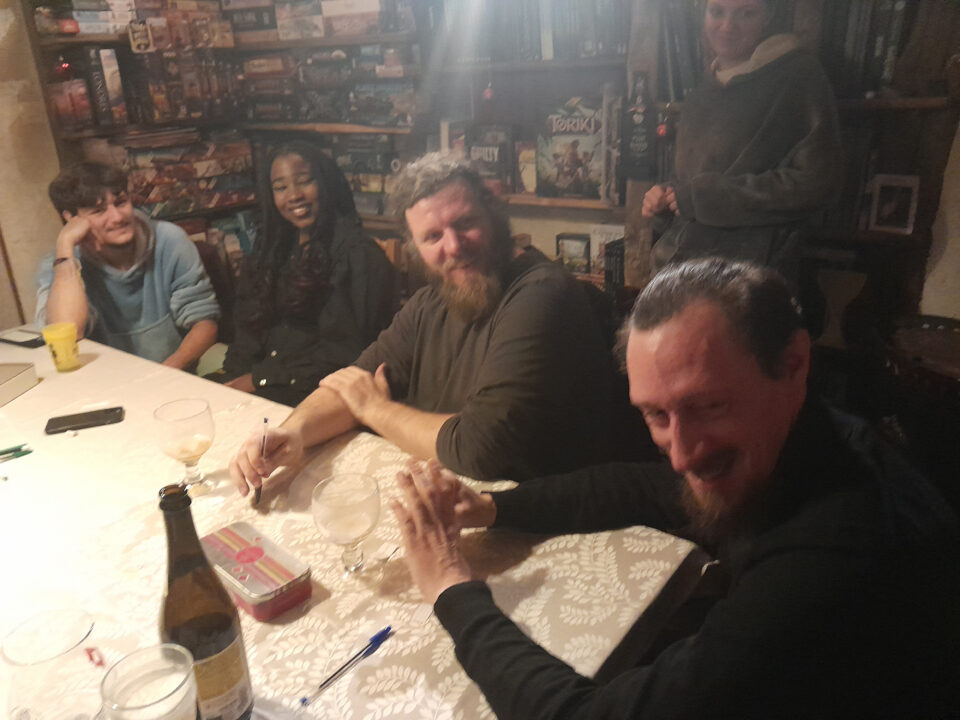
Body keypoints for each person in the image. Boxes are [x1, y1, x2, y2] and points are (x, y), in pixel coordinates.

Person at [391, 257, 960, 719]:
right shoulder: (809, 436)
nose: (682, 453)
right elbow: (646, 486)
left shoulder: (832, 554)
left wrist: (450, 588)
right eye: (656, 415)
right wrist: (493, 506)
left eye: (709, 406)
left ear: (794, 364)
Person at [230, 153, 613, 494]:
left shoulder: (542, 292)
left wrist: (375, 410)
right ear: (415, 248)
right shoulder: (431, 301)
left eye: (465, 223)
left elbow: (479, 448)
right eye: (432, 237)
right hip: (456, 497)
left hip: (543, 516)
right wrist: (293, 432)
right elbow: (351, 385)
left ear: (494, 215)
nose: (454, 246)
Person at [641, 0, 843, 287]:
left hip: (749, 281)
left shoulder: (798, 76)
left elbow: (818, 183)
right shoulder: (703, 89)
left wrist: (707, 197)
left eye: (746, 13)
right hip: (679, 275)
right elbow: (689, 186)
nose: (727, 26)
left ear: (768, 15)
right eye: (717, 12)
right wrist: (664, 199)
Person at [212, 141, 397, 407]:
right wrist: (229, 380)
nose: (294, 196)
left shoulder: (358, 256)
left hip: (320, 393)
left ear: (325, 183)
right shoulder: (272, 249)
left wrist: (259, 379)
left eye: (304, 181)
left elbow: (344, 355)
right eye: (280, 187)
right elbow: (248, 333)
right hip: (260, 383)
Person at [36, 162, 219, 369]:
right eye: (98, 211)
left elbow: (205, 324)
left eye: (121, 203)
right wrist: (65, 246)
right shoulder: (59, 264)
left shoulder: (169, 239)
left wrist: (162, 375)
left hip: (172, 372)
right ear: (71, 218)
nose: (117, 217)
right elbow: (68, 334)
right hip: (107, 379)